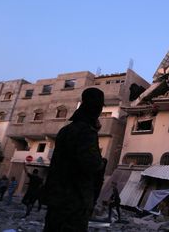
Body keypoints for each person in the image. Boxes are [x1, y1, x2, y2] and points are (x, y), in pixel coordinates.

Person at [42, 88, 107, 232]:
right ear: (97, 107)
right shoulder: (86, 132)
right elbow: (91, 164)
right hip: (74, 202)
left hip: (56, 199)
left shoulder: (65, 130)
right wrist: (102, 163)